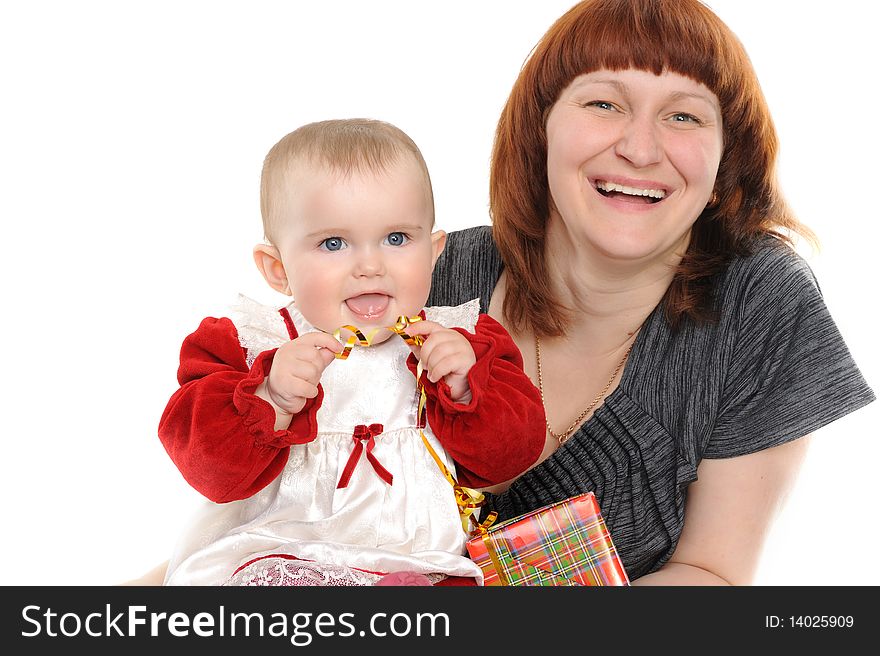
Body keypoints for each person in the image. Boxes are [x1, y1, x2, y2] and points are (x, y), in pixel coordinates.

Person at [426, 0, 875, 585]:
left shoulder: (760, 300)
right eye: (603, 103)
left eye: (684, 116)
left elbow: (712, 574)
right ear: (541, 131)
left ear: (726, 161)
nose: (640, 149)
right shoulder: (427, 270)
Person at [156, 118, 545, 586]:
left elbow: (511, 456)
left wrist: (464, 388)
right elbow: (207, 470)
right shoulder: (249, 342)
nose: (370, 265)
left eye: (396, 239)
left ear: (434, 250)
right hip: (282, 552)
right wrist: (271, 398)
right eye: (333, 243)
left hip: (420, 560)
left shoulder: (462, 340)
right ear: (278, 269)